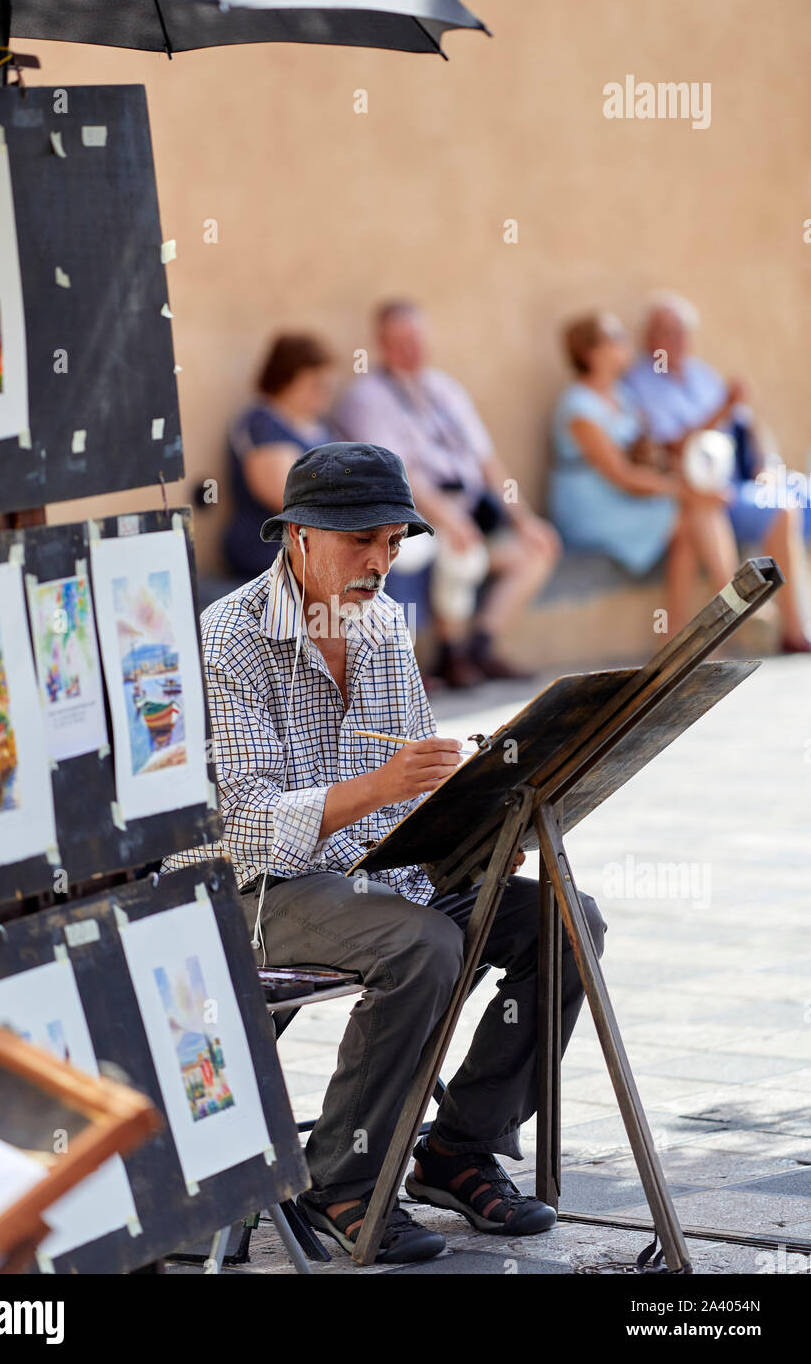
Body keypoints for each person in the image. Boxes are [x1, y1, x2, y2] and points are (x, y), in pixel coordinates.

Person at [163, 441, 605, 1265]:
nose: (381, 561)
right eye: (362, 539)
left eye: (395, 542)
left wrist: (473, 829)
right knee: (421, 942)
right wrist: (381, 786)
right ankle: (341, 1180)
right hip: (253, 889)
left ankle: (458, 1149)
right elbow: (250, 825)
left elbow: (410, 799)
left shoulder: (381, 630)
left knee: (567, 921)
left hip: (376, 878)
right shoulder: (228, 639)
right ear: (297, 534)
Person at [334, 300, 560, 688]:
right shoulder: (366, 396)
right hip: (420, 515)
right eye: (401, 340)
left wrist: (524, 519)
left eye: (417, 338)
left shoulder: (444, 388)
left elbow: (487, 461)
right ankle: (450, 656)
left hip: (473, 511)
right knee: (456, 550)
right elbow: (397, 474)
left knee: (539, 547)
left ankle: (480, 648)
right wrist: (450, 520)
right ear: (382, 343)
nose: (412, 348)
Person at [622, 293, 811, 652]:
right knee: (725, 514)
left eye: (681, 331)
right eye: (666, 332)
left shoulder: (701, 374)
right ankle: (738, 609)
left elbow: (748, 426)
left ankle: (792, 630)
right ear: (649, 339)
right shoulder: (639, 383)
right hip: (695, 490)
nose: (675, 339)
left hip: (732, 485)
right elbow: (672, 447)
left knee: (787, 505)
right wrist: (723, 406)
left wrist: (767, 464)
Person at [549, 312, 741, 635]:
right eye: (615, 337)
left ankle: (676, 637)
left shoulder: (622, 397)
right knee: (692, 513)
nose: (625, 343)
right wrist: (686, 491)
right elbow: (621, 475)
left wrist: (691, 483)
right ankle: (733, 601)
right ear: (591, 353)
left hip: (624, 501)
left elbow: (651, 452)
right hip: (593, 509)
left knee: (691, 523)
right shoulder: (578, 407)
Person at [220, 333, 335, 579]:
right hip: (268, 544)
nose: (324, 392)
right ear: (287, 379)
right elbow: (289, 497)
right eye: (315, 384)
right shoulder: (262, 423)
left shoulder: (318, 426)